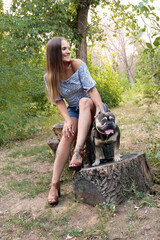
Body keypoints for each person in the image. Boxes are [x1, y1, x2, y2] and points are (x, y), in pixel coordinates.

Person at [44, 37, 105, 205]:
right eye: (63, 49)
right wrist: (68, 121)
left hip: (91, 106)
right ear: (55, 53)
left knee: (83, 101)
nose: (68, 51)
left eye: (68, 48)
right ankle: (54, 184)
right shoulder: (50, 76)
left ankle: (78, 151)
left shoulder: (77, 65)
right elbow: (58, 101)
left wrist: (101, 111)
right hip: (74, 111)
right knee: (66, 134)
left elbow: (91, 90)